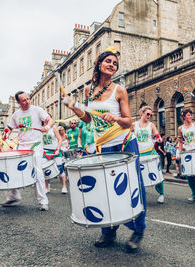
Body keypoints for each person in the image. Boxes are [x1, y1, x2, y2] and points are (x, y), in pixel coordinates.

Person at [63, 48, 146, 252]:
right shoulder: (88, 91)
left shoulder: (119, 90)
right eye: (108, 61)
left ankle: (138, 229)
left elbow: (128, 121)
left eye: (115, 63)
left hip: (125, 143)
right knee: (107, 189)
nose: (112, 65)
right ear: (99, 64)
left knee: (132, 186)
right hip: (104, 147)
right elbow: (88, 118)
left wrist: (115, 118)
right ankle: (109, 231)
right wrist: (73, 107)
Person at [3, 91, 54, 211]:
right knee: (9, 165)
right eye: (23, 100)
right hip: (22, 145)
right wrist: (6, 133)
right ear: (18, 102)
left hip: (35, 144)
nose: (27, 102)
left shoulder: (37, 110)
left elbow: (50, 120)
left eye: (28, 99)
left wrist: (46, 127)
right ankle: (13, 196)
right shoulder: (16, 114)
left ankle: (43, 201)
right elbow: (10, 127)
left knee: (37, 170)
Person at [132, 105, 165, 204]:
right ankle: (141, 195)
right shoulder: (134, 125)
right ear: (142, 113)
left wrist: (158, 138)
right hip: (139, 154)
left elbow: (156, 134)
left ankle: (161, 193)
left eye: (151, 115)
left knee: (157, 174)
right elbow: (128, 136)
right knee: (139, 175)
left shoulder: (151, 125)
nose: (149, 116)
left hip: (150, 152)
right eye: (147, 114)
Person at [42, 119, 67, 194]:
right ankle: (47, 187)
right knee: (46, 170)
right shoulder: (40, 128)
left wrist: (58, 149)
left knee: (60, 169)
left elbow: (59, 139)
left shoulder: (53, 127)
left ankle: (64, 186)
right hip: (45, 151)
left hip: (55, 151)